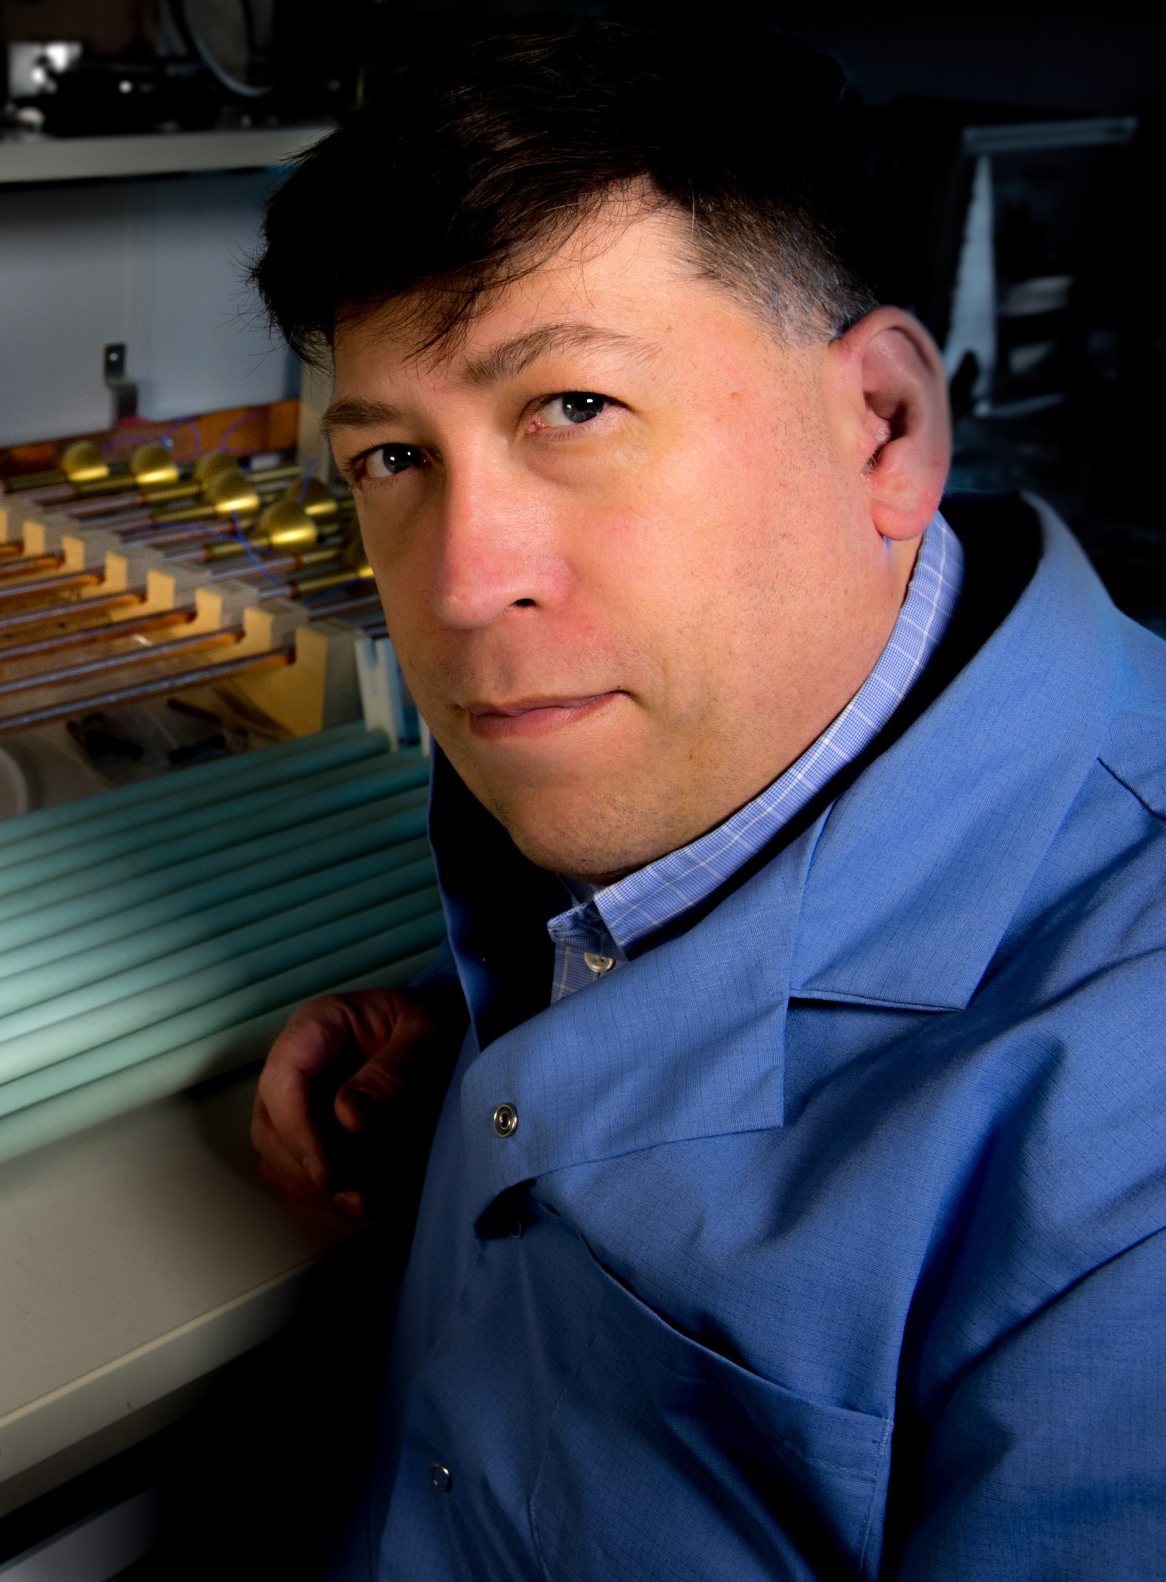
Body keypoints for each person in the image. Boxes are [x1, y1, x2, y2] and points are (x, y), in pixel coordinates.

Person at [246, 19, 1166, 1580]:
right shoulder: (697, 762)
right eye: (395, 456)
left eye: (574, 409)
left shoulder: (1125, 1180)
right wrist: (482, 1037)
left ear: (881, 423)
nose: (465, 588)